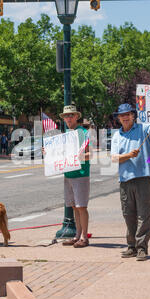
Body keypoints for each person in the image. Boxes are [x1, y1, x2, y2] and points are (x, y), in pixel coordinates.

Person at [110, 103, 150, 261]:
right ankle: (131, 246)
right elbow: (113, 158)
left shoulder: (144, 129)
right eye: (122, 115)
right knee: (128, 214)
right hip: (125, 179)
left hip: (144, 177)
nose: (125, 117)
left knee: (144, 215)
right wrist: (128, 155)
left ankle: (142, 248)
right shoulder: (116, 136)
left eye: (128, 114)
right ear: (118, 118)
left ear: (133, 115)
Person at [58, 105, 91, 248]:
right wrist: (49, 153)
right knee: (74, 207)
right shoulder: (66, 134)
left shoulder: (83, 132)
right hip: (68, 174)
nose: (68, 118)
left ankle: (84, 237)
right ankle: (77, 236)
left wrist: (80, 156)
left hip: (80, 174)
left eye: (71, 115)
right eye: (66, 116)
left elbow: (91, 154)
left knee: (81, 207)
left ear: (77, 117)